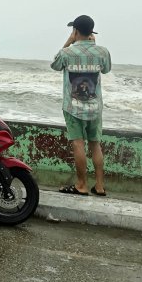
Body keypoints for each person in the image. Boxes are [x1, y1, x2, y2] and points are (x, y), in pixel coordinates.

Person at [50, 15, 112, 196]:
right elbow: (106, 69)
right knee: (95, 145)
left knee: (78, 144)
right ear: (91, 33)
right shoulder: (102, 52)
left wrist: (68, 42)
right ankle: (100, 186)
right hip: (95, 108)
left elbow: (55, 65)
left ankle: (82, 185)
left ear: (75, 31)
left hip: (73, 107)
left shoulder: (66, 53)